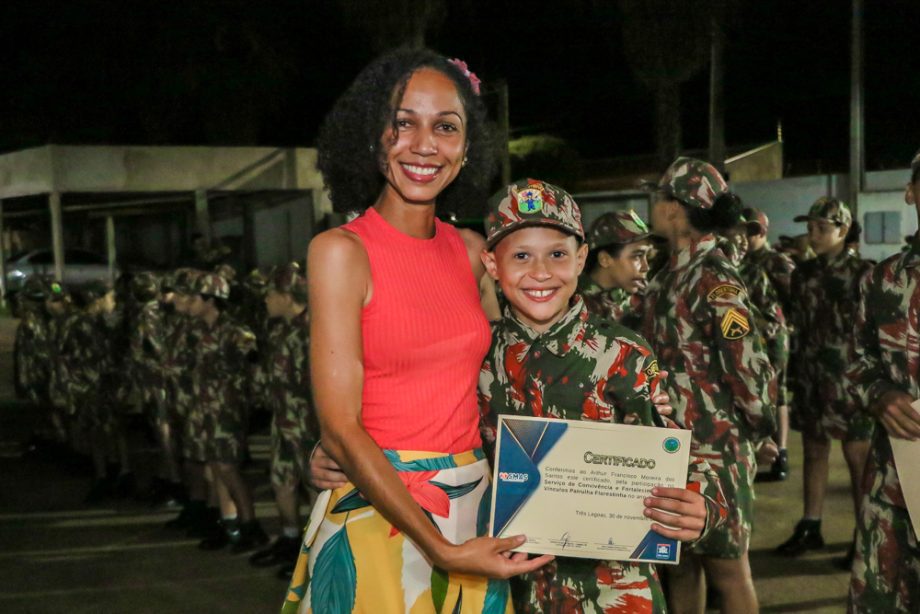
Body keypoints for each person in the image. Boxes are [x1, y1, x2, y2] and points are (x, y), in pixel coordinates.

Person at [282, 49, 551, 614]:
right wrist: (442, 550)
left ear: (467, 147)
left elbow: (517, 378)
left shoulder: (474, 253)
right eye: (403, 123)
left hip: (474, 510)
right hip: (380, 515)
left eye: (445, 127)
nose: (425, 145)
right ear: (372, 135)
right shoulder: (340, 252)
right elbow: (341, 426)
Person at [479, 179, 727, 613]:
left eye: (557, 254)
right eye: (521, 256)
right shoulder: (475, 357)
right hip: (508, 591)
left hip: (614, 593)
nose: (541, 272)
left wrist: (702, 506)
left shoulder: (624, 354)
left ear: (581, 259)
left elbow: (679, 452)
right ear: (491, 264)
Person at [641, 157, 777, 613]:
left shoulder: (715, 277)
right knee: (680, 563)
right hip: (672, 446)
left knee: (728, 568)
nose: (654, 204)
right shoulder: (667, 276)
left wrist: (760, 431)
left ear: (676, 208)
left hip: (718, 449)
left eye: (659, 196)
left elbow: (747, 365)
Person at [776, 197, 873, 569]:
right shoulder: (802, 273)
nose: (813, 235)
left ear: (842, 230)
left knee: (858, 456)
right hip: (812, 376)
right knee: (814, 448)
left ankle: (865, 536)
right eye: (810, 228)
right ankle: (811, 524)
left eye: (821, 228)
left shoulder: (863, 273)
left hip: (849, 380)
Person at [846, 151, 920, 612]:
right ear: (911, 192)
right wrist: (879, 394)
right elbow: (857, 362)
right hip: (893, 482)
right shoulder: (882, 280)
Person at [186, 272, 268, 552]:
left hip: (227, 411)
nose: (190, 303)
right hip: (205, 409)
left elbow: (254, 364)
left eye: (195, 298)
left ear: (211, 300)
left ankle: (250, 525)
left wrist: (251, 399)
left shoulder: (235, 332)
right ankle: (229, 524)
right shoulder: (197, 331)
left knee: (228, 468)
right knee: (215, 468)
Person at [249, 263, 317, 578]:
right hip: (283, 421)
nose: (266, 299)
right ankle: (290, 541)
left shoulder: (311, 332)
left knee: (313, 486)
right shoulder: (280, 329)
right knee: (282, 481)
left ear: (287, 297)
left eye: (271, 294)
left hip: (308, 425)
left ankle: (316, 553)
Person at [741, 208, 795, 481]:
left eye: (752, 231)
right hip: (749, 336)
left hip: (773, 336)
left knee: (778, 393)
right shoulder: (739, 260)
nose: (747, 237)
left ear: (763, 231)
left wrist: (784, 324)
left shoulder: (776, 261)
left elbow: (795, 295)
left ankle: (780, 452)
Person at [578, 209, 653, 329]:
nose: (646, 267)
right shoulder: (574, 305)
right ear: (605, 259)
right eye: (637, 256)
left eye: (647, 256)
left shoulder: (642, 294)